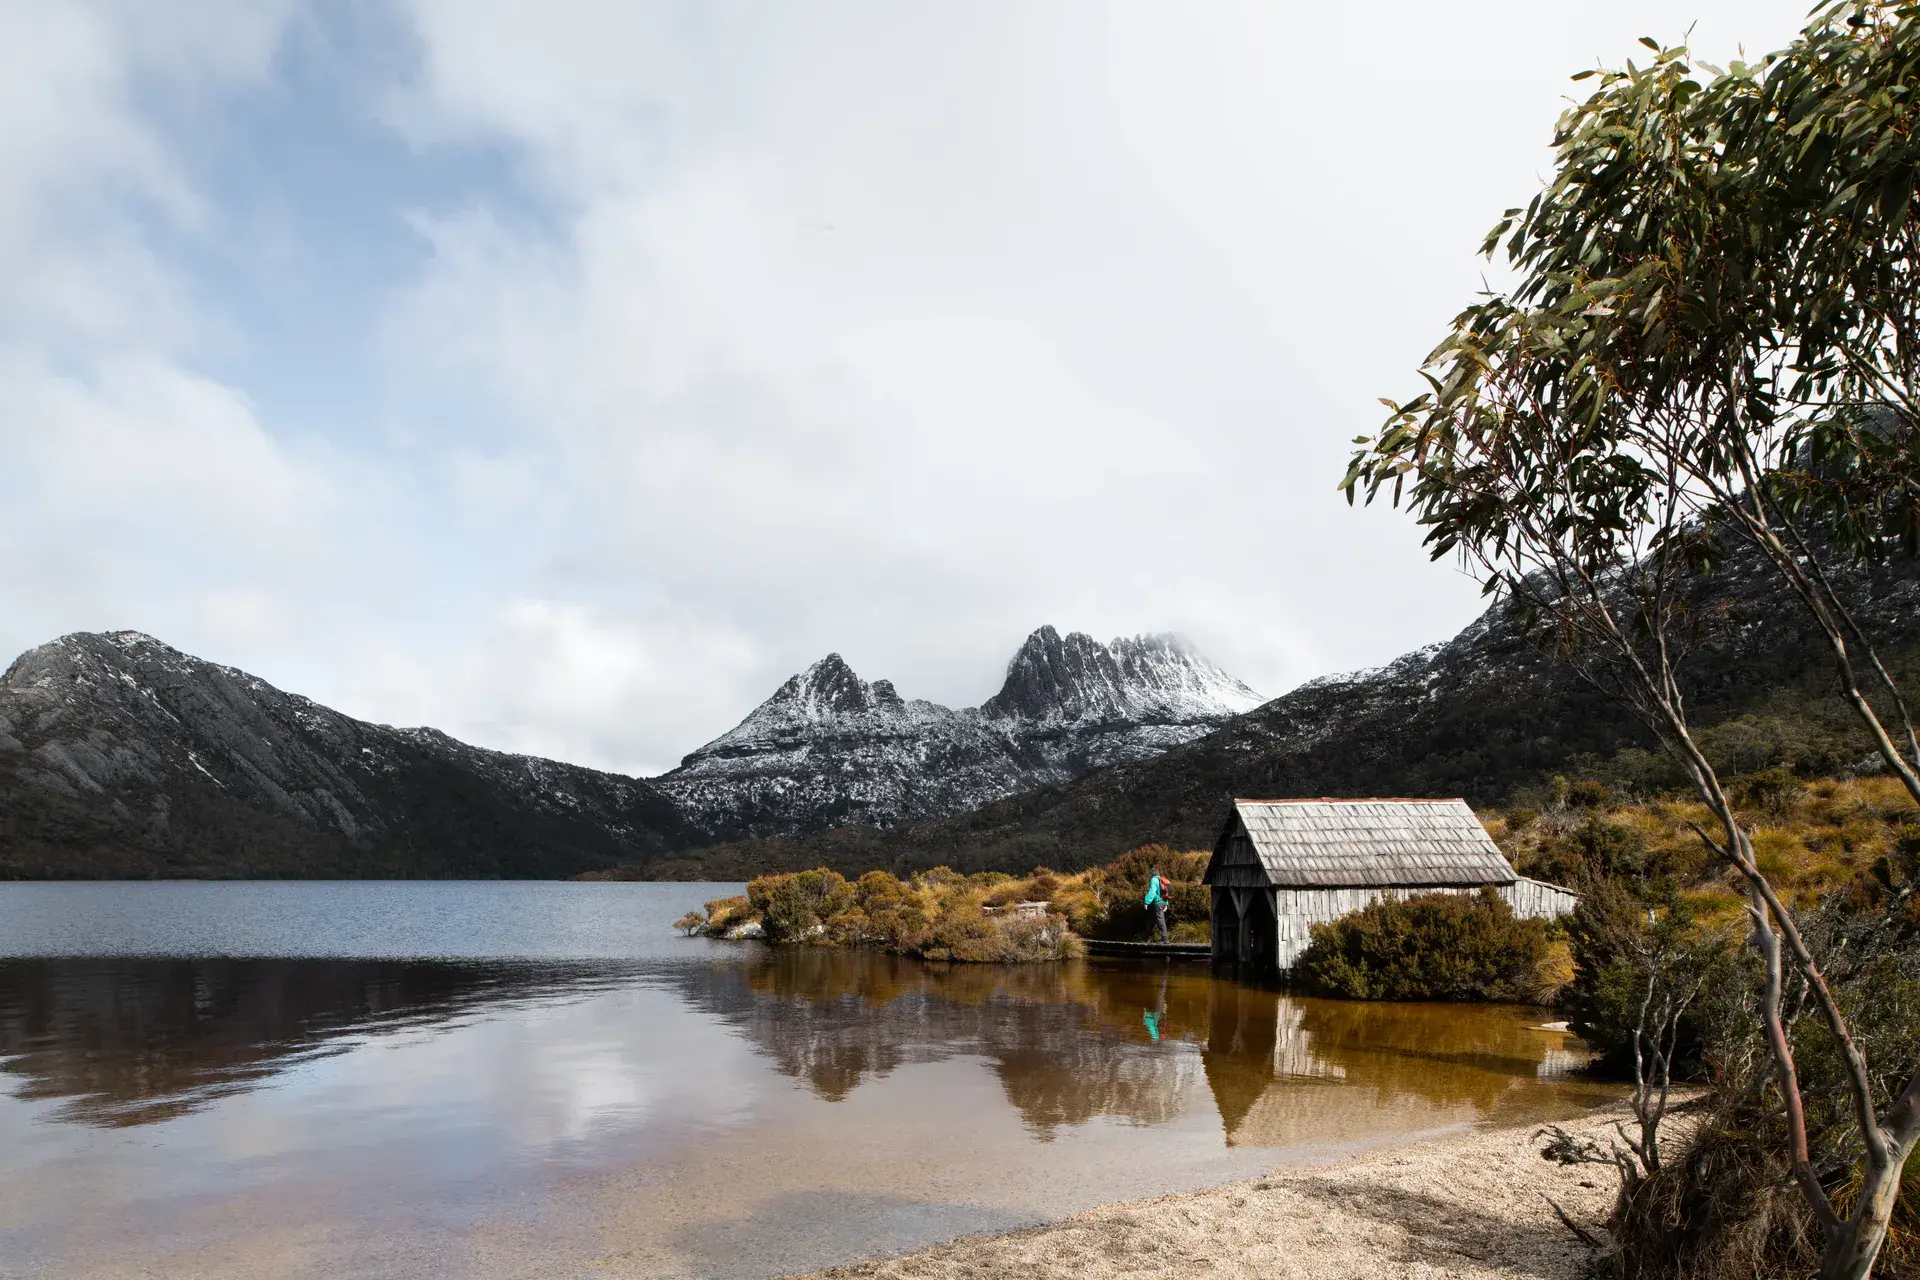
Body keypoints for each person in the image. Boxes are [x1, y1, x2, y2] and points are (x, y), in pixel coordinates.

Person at [1143, 868, 1169, 943]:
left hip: (1158, 903)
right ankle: (1146, 937)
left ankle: (1165, 940)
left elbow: (1152, 892)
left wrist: (1146, 902)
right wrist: (1166, 904)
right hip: (1163, 902)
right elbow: (1166, 892)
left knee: (1160, 921)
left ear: (1151, 874)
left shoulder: (1153, 880)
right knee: (1151, 920)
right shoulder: (1162, 879)